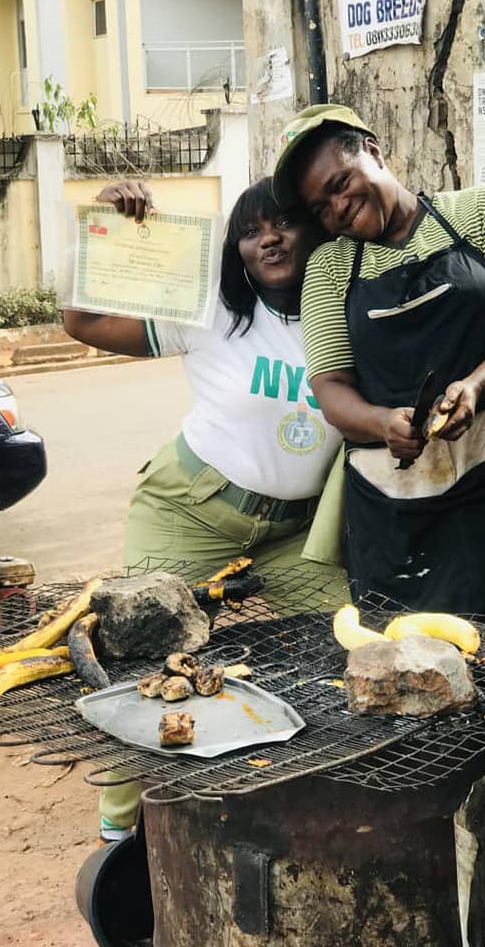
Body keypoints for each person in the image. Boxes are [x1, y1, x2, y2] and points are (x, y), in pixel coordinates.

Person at [63, 176, 348, 840]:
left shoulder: (346, 312)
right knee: (143, 659)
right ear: (237, 248)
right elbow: (82, 323)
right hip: (188, 509)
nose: (268, 237)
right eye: (251, 229)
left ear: (316, 228)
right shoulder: (213, 309)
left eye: (282, 222)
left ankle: (309, 794)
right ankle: (120, 832)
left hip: (290, 534)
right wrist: (99, 230)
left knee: (347, 633)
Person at [271, 104, 485, 635]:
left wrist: (474, 385)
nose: (338, 206)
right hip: (403, 498)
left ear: (373, 153)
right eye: (320, 205)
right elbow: (331, 388)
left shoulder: (482, 211)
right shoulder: (330, 268)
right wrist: (382, 424)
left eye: (341, 182)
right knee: (415, 643)